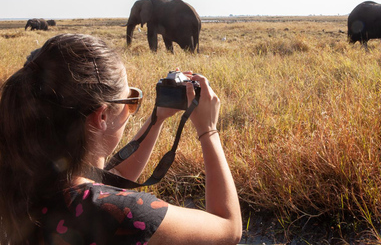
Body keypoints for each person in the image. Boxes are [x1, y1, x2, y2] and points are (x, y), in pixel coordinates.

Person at [0, 34, 242, 244]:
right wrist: (208, 130)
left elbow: (115, 183)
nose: (132, 108)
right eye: (131, 101)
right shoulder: (126, 213)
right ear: (102, 115)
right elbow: (228, 229)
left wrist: (156, 119)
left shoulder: (24, 178)